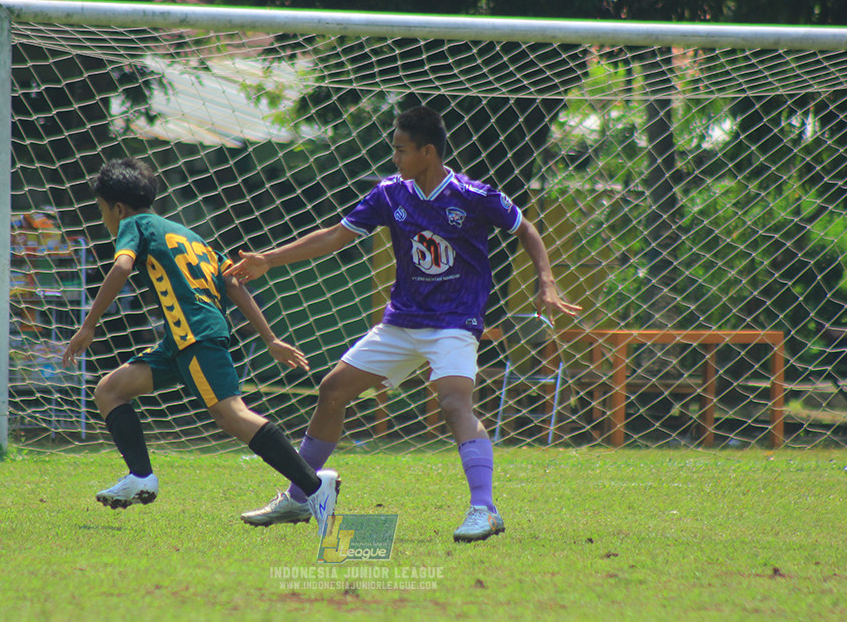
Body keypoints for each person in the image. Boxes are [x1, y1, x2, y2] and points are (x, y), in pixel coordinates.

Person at [230, 105, 582, 542]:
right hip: (401, 322)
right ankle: (301, 495)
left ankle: (485, 510)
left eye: (400, 150)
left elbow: (525, 228)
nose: (394, 159)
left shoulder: (473, 195)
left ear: (428, 152)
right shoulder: (389, 194)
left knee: (454, 404)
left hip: (454, 322)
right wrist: (269, 259)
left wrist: (545, 282)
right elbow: (335, 236)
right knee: (332, 390)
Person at [61, 158, 339, 536]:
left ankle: (312, 485)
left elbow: (123, 268)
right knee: (111, 389)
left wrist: (88, 325)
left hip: (194, 336)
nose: (105, 219)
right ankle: (140, 476)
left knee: (232, 416)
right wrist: (270, 338)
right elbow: (234, 283)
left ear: (118, 208)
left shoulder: (132, 225)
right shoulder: (185, 233)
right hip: (179, 341)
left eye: (101, 211)